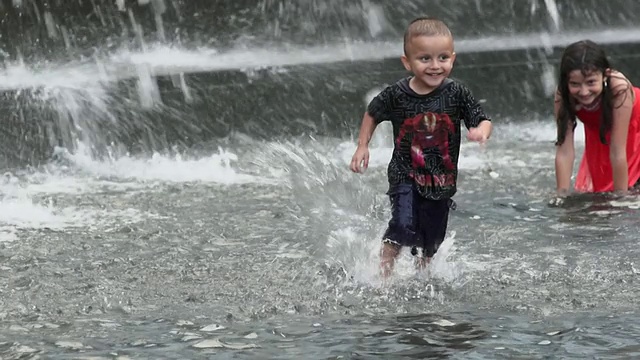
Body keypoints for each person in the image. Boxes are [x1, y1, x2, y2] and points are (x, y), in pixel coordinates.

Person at [349, 17, 492, 278]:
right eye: (425, 59)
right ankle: (383, 275)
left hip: (442, 180)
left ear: (453, 58)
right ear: (408, 62)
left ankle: (422, 279)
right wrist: (362, 146)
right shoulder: (397, 94)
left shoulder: (457, 93)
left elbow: (482, 118)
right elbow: (372, 113)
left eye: (443, 58)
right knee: (402, 225)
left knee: (431, 241)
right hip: (405, 174)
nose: (435, 66)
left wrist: (481, 131)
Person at [554, 40, 640, 196]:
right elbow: (564, 150)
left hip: (633, 130)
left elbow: (617, 150)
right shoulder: (563, 96)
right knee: (599, 193)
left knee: (629, 190)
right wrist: (561, 194)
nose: (584, 92)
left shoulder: (619, 90)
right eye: (575, 84)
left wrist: (620, 198)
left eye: (591, 82)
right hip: (601, 133)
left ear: (605, 75)